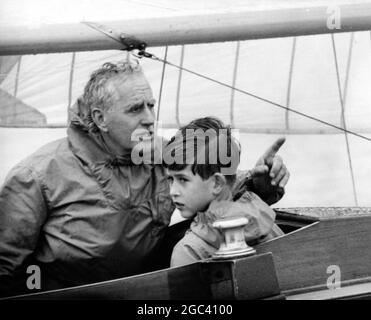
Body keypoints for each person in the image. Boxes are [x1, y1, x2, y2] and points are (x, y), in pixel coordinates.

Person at [0, 60, 289, 297]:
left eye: (151, 105)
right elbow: (5, 269)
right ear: (100, 119)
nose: (150, 118)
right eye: (136, 109)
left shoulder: (161, 153)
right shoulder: (36, 176)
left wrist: (259, 184)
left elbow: (214, 185)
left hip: (149, 292)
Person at [163, 117, 284, 267]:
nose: (173, 191)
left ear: (217, 183)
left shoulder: (187, 252)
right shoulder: (269, 225)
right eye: (170, 180)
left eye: (182, 180)